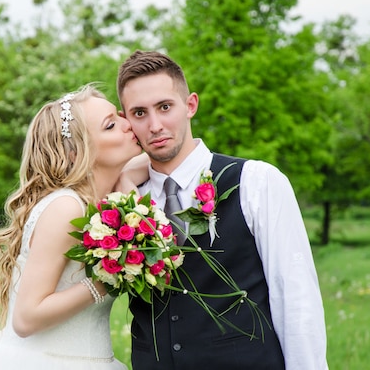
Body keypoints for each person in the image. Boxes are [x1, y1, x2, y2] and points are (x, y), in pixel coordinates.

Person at [116, 50, 328, 370]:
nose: (155, 125)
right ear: (127, 121)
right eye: (140, 113)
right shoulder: (120, 203)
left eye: (164, 107)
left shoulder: (258, 181)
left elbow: (296, 297)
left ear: (190, 105)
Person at [0, 84, 142, 370]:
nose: (129, 125)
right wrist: (109, 278)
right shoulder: (66, 208)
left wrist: (125, 183)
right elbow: (27, 318)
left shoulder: (103, 202)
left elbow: (157, 156)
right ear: (77, 152)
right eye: (111, 124)